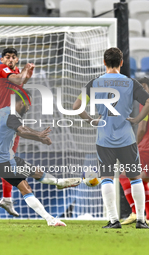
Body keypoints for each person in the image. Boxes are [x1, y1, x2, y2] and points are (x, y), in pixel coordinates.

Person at [73, 47, 149, 229]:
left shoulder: (95, 83)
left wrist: (92, 121)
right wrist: (138, 118)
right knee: (135, 178)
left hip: (104, 138)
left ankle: (114, 220)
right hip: (127, 137)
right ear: (122, 63)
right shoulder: (131, 82)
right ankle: (141, 220)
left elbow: (76, 106)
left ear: (104, 62)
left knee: (107, 178)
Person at [0, 89, 81, 225]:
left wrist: (39, 138)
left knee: (36, 171)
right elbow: (22, 130)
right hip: (1, 163)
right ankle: (50, 220)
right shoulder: (11, 116)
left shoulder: (4, 111)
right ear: (20, 102)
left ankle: (58, 183)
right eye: (28, 103)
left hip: (6, 158)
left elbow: (20, 128)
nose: (29, 107)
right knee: (25, 187)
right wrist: (39, 135)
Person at [0, 48, 35, 217]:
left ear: (17, 59)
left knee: (9, 157)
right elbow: (18, 79)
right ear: (2, 59)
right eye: (8, 57)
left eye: (13, 57)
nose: (10, 60)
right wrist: (25, 74)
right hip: (2, 117)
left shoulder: (16, 72)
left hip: (14, 117)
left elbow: (21, 81)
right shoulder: (2, 69)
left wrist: (26, 76)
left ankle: (6, 198)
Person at [120, 76, 149, 225]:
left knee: (127, 176)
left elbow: (142, 128)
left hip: (145, 147)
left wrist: (134, 146)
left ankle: (137, 213)